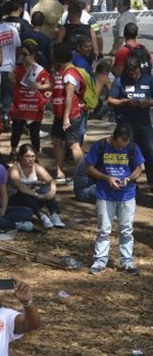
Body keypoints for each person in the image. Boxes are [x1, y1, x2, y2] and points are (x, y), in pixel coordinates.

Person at [85, 125, 145, 276]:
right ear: (113, 137)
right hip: (104, 194)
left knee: (126, 230)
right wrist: (107, 178)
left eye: (124, 145)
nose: (121, 148)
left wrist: (128, 178)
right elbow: (89, 167)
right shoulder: (100, 146)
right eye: (119, 145)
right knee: (104, 229)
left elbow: (139, 168)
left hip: (127, 194)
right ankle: (99, 261)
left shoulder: (132, 147)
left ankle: (127, 262)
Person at [107, 57, 153, 191]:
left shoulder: (149, 79)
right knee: (128, 152)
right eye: (130, 73)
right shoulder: (119, 81)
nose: (133, 76)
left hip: (144, 123)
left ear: (140, 69)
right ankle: (130, 181)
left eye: (136, 73)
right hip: (125, 124)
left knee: (150, 151)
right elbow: (110, 101)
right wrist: (125, 102)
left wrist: (147, 103)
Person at [51, 43, 85, 183]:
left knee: (73, 144)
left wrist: (66, 119)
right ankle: (59, 172)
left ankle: (82, 175)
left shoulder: (70, 73)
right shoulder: (60, 70)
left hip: (70, 115)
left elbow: (69, 97)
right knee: (57, 141)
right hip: (59, 114)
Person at [8, 144, 64, 229]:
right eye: (27, 156)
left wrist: (52, 191)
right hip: (15, 200)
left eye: (33, 156)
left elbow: (51, 180)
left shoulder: (36, 167)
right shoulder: (15, 168)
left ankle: (54, 214)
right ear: (20, 157)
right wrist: (38, 195)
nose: (30, 159)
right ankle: (41, 215)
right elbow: (19, 186)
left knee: (47, 188)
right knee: (24, 193)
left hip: (31, 199)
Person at [9, 43, 51, 153]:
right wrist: (12, 78)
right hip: (20, 105)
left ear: (33, 55)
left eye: (25, 54)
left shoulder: (40, 70)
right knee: (16, 131)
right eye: (21, 53)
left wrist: (39, 86)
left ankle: (35, 155)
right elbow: (14, 83)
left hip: (34, 106)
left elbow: (49, 85)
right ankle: (13, 152)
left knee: (34, 133)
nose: (22, 56)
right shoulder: (17, 68)